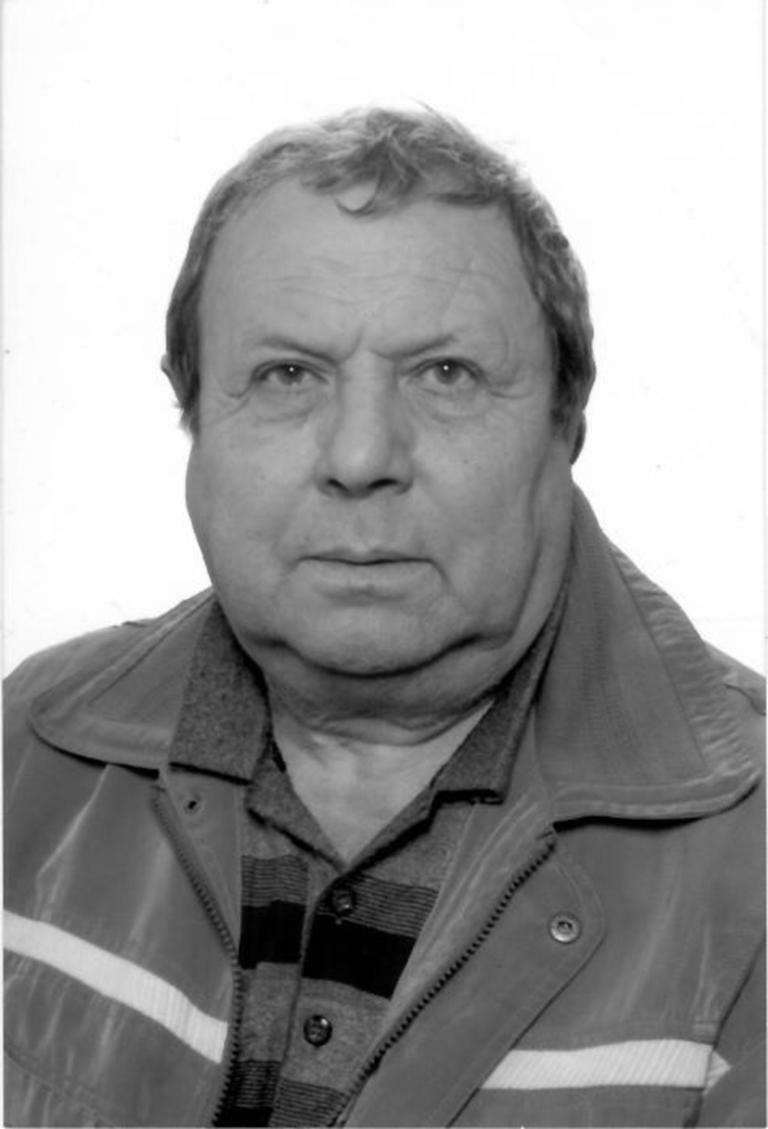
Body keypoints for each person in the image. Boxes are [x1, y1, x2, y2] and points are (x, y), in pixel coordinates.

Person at [4, 107, 764, 1129]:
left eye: (446, 374)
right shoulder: (26, 757)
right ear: (194, 422)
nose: (361, 456)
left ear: (566, 423)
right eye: (287, 375)